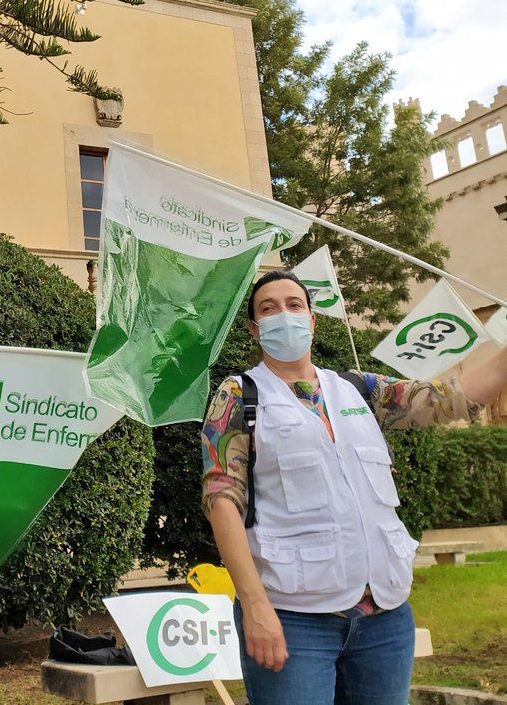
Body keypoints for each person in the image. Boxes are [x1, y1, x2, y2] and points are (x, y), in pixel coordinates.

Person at [201, 269, 507, 705]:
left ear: (312, 320)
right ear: (254, 329)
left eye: (294, 305)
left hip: (385, 618)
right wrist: (254, 606)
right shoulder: (239, 396)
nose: (283, 315)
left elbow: (447, 399)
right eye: (269, 309)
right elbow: (221, 501)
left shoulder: (357, 389)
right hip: (294, 620)